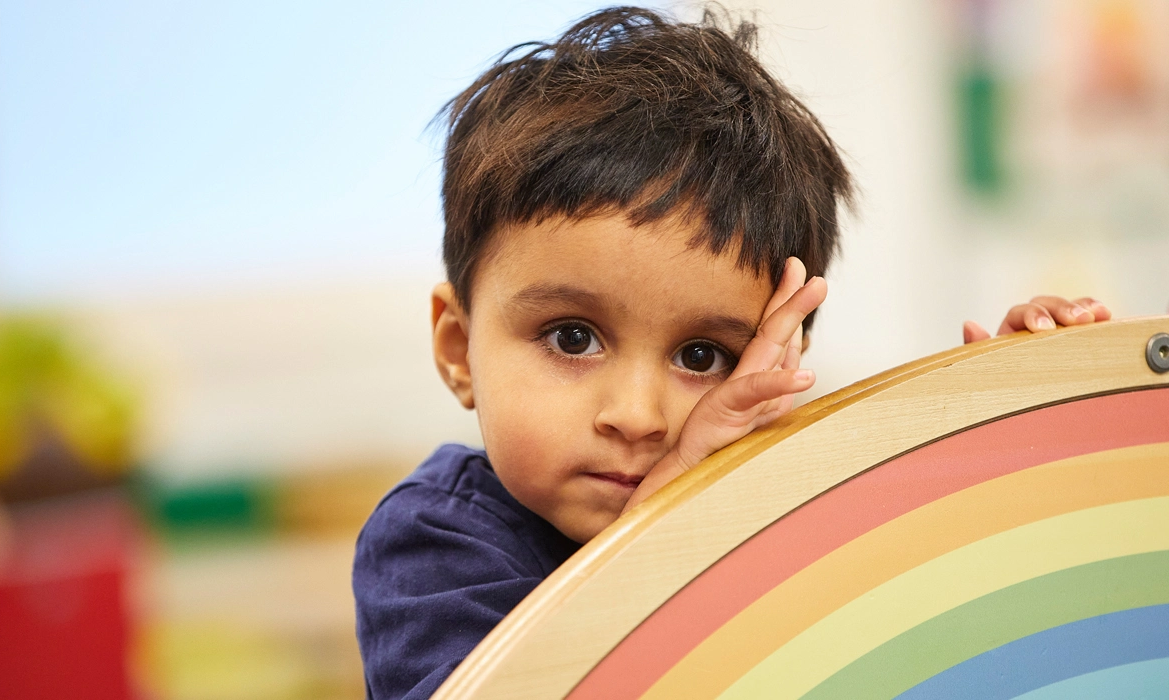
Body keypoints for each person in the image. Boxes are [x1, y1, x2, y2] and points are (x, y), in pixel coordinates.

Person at [350, 7, 1112, 699]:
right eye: (572, 338)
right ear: (458, 349)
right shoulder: (432, 544)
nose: (637, 416)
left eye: (703, 357)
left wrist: (1017, 417)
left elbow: (950, 631)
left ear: (776, 368)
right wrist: (665, 523)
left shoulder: (783, 506)